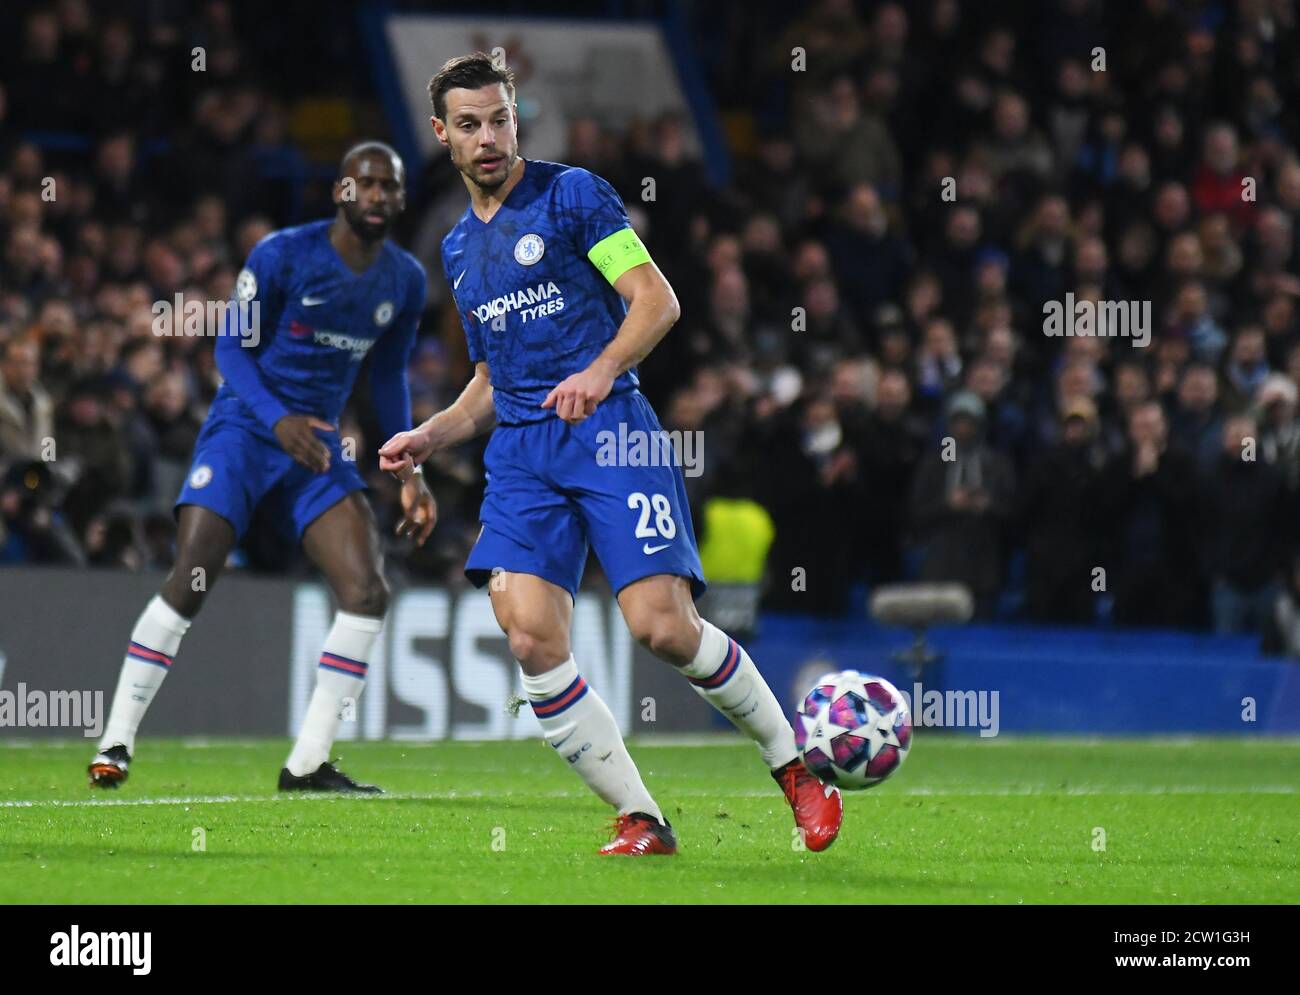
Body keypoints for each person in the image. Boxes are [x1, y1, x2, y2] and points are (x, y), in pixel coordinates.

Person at [379, 53, 842, 856]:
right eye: (468, 125)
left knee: (662, 628)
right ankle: (641, 815)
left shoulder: (572, 196)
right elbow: (491, 378)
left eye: (498, 119)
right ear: (440, 136)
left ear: (516, 118)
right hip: (524, 451)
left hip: (611, 432)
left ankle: (797, 770)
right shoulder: (457, 249)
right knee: (527, 634)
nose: (487, 137)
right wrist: (431, 433)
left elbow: (656, 300)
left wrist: (598, 371)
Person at [88, 142, 434, 792]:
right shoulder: (283, 254)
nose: (379, 196)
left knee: (366, 592)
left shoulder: (405, 280)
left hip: (315, 450)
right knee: (190, 579)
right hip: (246, 433)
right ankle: (115, 741)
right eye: (366, 183)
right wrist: (277, 418)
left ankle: (306, 762)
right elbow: (232, 347)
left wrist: (410, 469)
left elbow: (386, 378)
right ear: (340, 191)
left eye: (390, 186)